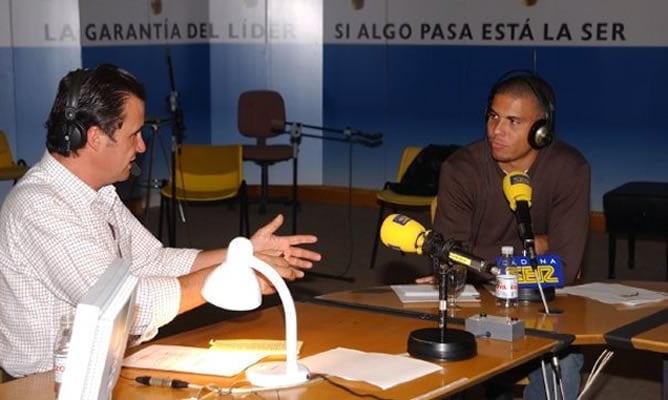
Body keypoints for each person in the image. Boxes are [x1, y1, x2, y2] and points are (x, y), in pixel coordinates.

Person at [0, 64, 321, 378]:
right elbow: (124, 307)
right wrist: (228, 274)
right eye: (134, 134)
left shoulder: (98, 195)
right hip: (42, 385)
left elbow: (152, 260)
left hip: (98, 370)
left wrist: (242, 254)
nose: (141, 146)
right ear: (95, 137)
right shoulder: (40, 208)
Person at [423, 72, 590, 400]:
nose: (497, 131)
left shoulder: (570, 169)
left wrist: (475, 258)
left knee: (563, 364)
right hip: (473, 302)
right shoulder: (461, 168)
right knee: (442, 355)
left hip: (538, 305)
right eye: (493, 116)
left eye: (513, 121)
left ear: (541, 130)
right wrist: (537, 247)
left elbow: (566, 269)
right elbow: (447, 260)